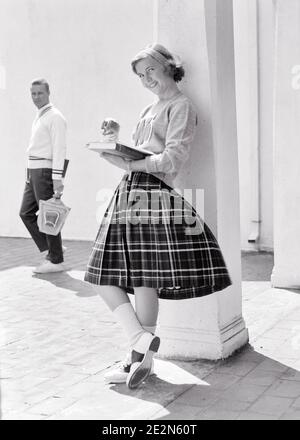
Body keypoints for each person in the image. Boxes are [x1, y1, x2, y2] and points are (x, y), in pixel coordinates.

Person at [84, 43, 232, 389]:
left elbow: (172, 159)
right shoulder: (149, 108)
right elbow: (133, 159)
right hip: (131, 189)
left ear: (169, 66)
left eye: (150, 69)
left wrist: (133, 162)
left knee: (105, 274)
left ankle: (137, 342)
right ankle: (141, 358)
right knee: (141, 279)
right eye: (140, 75)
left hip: (151, 193)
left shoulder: (181, 106)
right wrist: (111, 143)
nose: (146, 78)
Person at [19, 78, 68, 274]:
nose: (36, 97)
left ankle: (56, 260)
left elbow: (59, 149)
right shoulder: (40, 116)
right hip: (33, 171)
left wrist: (57, 178)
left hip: (45, 172)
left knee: (49, 215)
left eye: (40, 93)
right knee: (25, 212)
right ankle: (53, 246)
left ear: (48, 93)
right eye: (33, 93)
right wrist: (28, 173)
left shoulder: (55, 117)